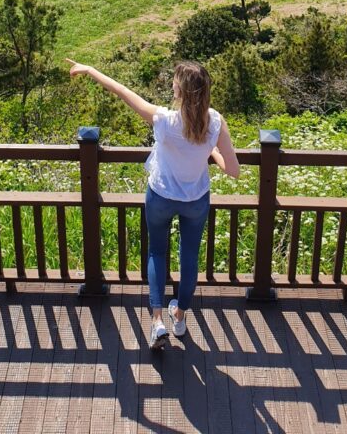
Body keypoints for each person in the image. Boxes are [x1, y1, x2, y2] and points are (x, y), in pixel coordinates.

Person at [65, 57, 240, 349]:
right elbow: (233, 170)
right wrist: (212, 154)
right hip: (195, 199)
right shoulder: (216, 123)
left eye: (174, 81)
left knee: (157, 253)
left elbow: (121, 91)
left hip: (160, 195)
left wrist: (90, 69)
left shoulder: (165, 119)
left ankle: (158, 322)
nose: (172, 84)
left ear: (180, 91)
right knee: (189, 257)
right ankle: (180, 316)